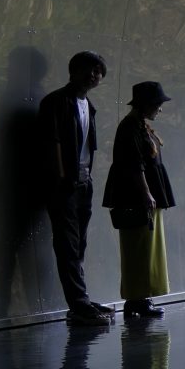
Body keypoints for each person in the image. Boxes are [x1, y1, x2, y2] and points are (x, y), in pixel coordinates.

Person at [37, 50, 110, 325]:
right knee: (67, 243)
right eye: (89, 69)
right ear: (73, 71)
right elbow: (52, 142)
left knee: (79, 241)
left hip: (83, 181)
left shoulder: (88, 105)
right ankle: (78, 303)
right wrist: (60, 178)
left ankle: (81, 297)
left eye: (98, 71)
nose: (94, 75)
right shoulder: (56, 102)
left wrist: (86, 177)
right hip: (64, 183)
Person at [104, 80, 176, 323]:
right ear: (146, 104)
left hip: (145, 194)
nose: (160, 109)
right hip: (136, 195)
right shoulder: (130, 128)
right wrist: (146, 193)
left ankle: (142, 297)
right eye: (157, 104)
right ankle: (136, 299)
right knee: (139, 246)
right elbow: (133, 165)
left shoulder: (138, 126)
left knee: (146, 245)